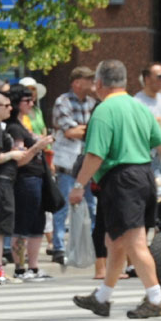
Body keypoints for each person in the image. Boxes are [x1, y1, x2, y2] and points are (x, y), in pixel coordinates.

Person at [71, 59, 161, 318]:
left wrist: (78, 185)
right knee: (114, 240)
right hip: (143, 176)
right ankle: (102, 297)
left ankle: (156, 298)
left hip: (121, 180)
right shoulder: (140, 109)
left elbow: (95, 155)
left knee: (134, 242)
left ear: (99, 83)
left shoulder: (104, 110)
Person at [6, 84, 55, 280]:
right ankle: (20, 268)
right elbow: (20, 159)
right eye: (27, 100)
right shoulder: (14, 128)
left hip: (38, 177)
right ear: (17, 103)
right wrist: (38, 146)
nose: (31, 103)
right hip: (25, 179)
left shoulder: (25, 123)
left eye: (32, 99)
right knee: (23, 224)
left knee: (38, 223)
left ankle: (33, 267)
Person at [50, 66, 97, 267]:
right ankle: (59, 248)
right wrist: (87, 129)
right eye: (88, 79)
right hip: (68, 163)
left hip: (87, 163)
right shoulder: (63, 101)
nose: (92, 83)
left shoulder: (92, 102)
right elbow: (70, 132)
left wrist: (81, 129)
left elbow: (84, 130)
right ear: (77, 82)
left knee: (91, 206)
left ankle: (90, 246)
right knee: (63, 206)